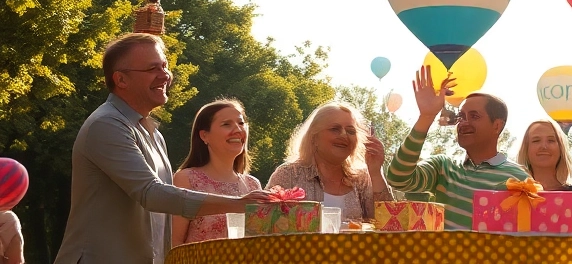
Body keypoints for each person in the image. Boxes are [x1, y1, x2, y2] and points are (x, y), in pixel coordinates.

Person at [54, 34, 272, 264]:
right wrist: (238, 204)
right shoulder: (106, 124)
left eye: (164, 66)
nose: (165, 75)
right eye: (152, 68)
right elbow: (151, 194)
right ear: (121, 80)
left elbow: (163, 215)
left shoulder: (153, 134)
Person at [387, 66, 530, 230]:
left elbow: (528, 233)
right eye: (461, 116)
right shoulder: (443, 167)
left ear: (497, 125)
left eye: (474, 116)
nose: (463, 123)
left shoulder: (519, 179)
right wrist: (426, 116)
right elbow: (398, 179)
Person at [267, 102, 392, 223]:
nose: (344, 135)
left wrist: (375, 172)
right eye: (335, 129)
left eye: (350, 131)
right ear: (314, 137)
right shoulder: (289, 174)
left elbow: (390, 223)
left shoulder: (362, 179)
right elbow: (264, 222)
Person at [170, 99, 263, 245]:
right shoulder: (186, 180)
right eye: (226, 124)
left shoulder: (253, 185)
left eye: (241, 123)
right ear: (204, 136)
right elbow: (173, 244)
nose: (238, 130)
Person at [515, 120, 572, 231]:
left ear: (561, 148)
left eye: (551, 140)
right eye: (536, 140)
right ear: (526, 149)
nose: (544, 146)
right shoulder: (513, 194)